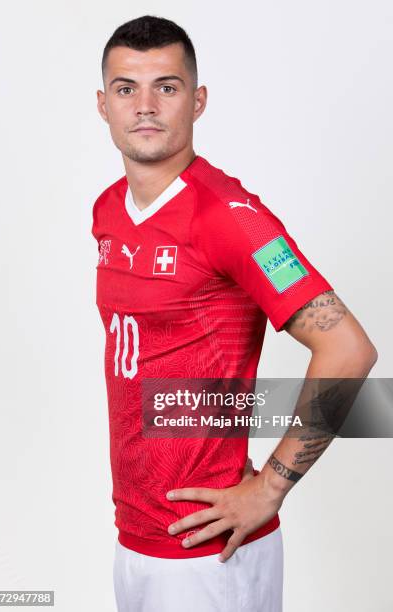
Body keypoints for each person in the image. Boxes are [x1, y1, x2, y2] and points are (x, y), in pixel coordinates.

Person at [92, 14, 378, 612]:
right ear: (103, 104)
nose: (145, 105)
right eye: (127, 88)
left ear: (197, 101)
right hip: (137, 538)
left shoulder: (231, 216)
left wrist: (269, 488)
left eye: (166, 87)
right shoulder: (107, 211)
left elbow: (349, 349)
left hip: (210, 554)